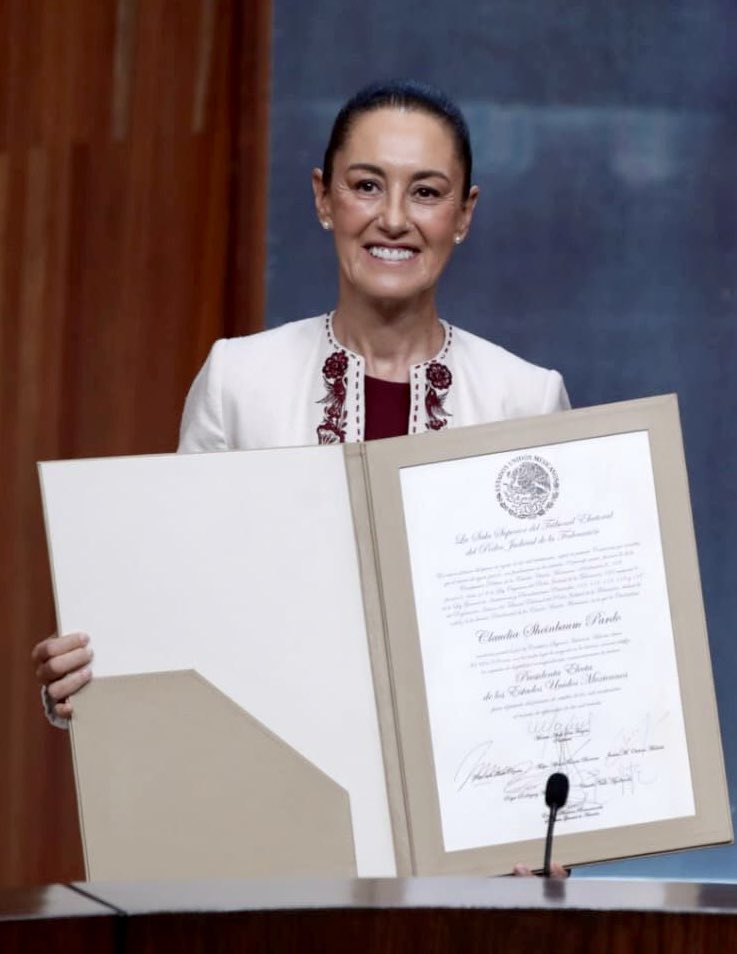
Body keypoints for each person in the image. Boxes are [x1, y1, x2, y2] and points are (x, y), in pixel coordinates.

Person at [31, 80, 569, 876]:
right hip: (271, 822)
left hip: (473, 836)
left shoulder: (528, 396)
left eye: (426, 192)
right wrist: (85, 681)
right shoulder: (237, 379)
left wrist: (566, 823)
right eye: (365, 185)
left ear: (464, 213)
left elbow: (555, 649)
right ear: (323, 199)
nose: (393, 218)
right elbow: (177, 605)